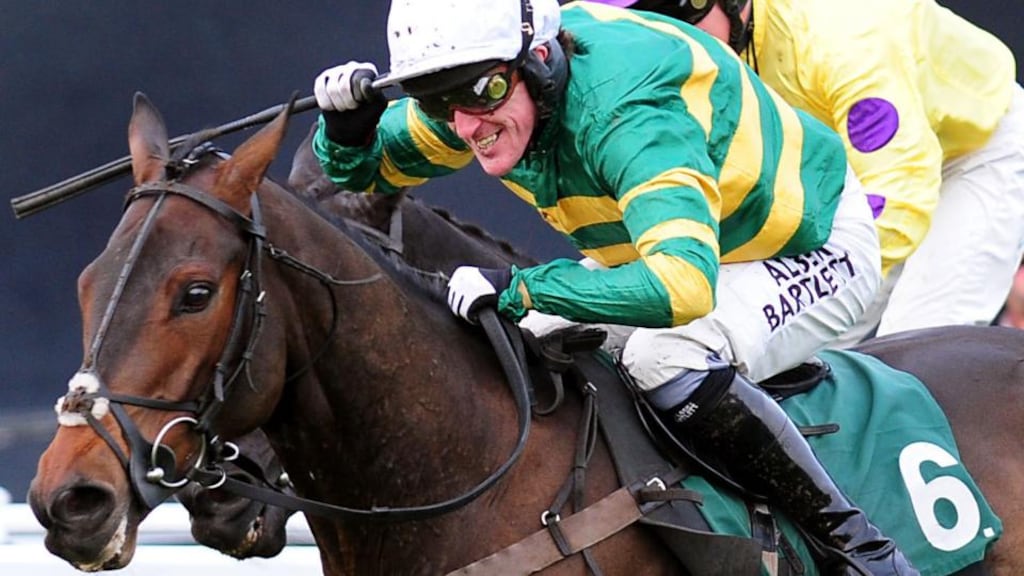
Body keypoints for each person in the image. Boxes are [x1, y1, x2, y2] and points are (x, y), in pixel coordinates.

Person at [311, 0, 915, 573]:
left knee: (664, 355)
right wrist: (343, 134)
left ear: (541, 61)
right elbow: (360, 174)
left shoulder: (626, 112)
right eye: (437, 103)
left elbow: (682, 288)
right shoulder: (478, 85)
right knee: (514, 337)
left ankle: (859, 551)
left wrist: (525, 287)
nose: (468, 126)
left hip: (809, 245)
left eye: (483, 94)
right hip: (673, 251)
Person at [595, 0, 1024, 345]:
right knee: (783, 345)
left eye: (670, 15)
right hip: (852, 173)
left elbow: (899, 190)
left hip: (972, 156)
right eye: (641, 26)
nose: (665, 44)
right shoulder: (697, 63)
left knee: (915, 350)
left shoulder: (840, 36)